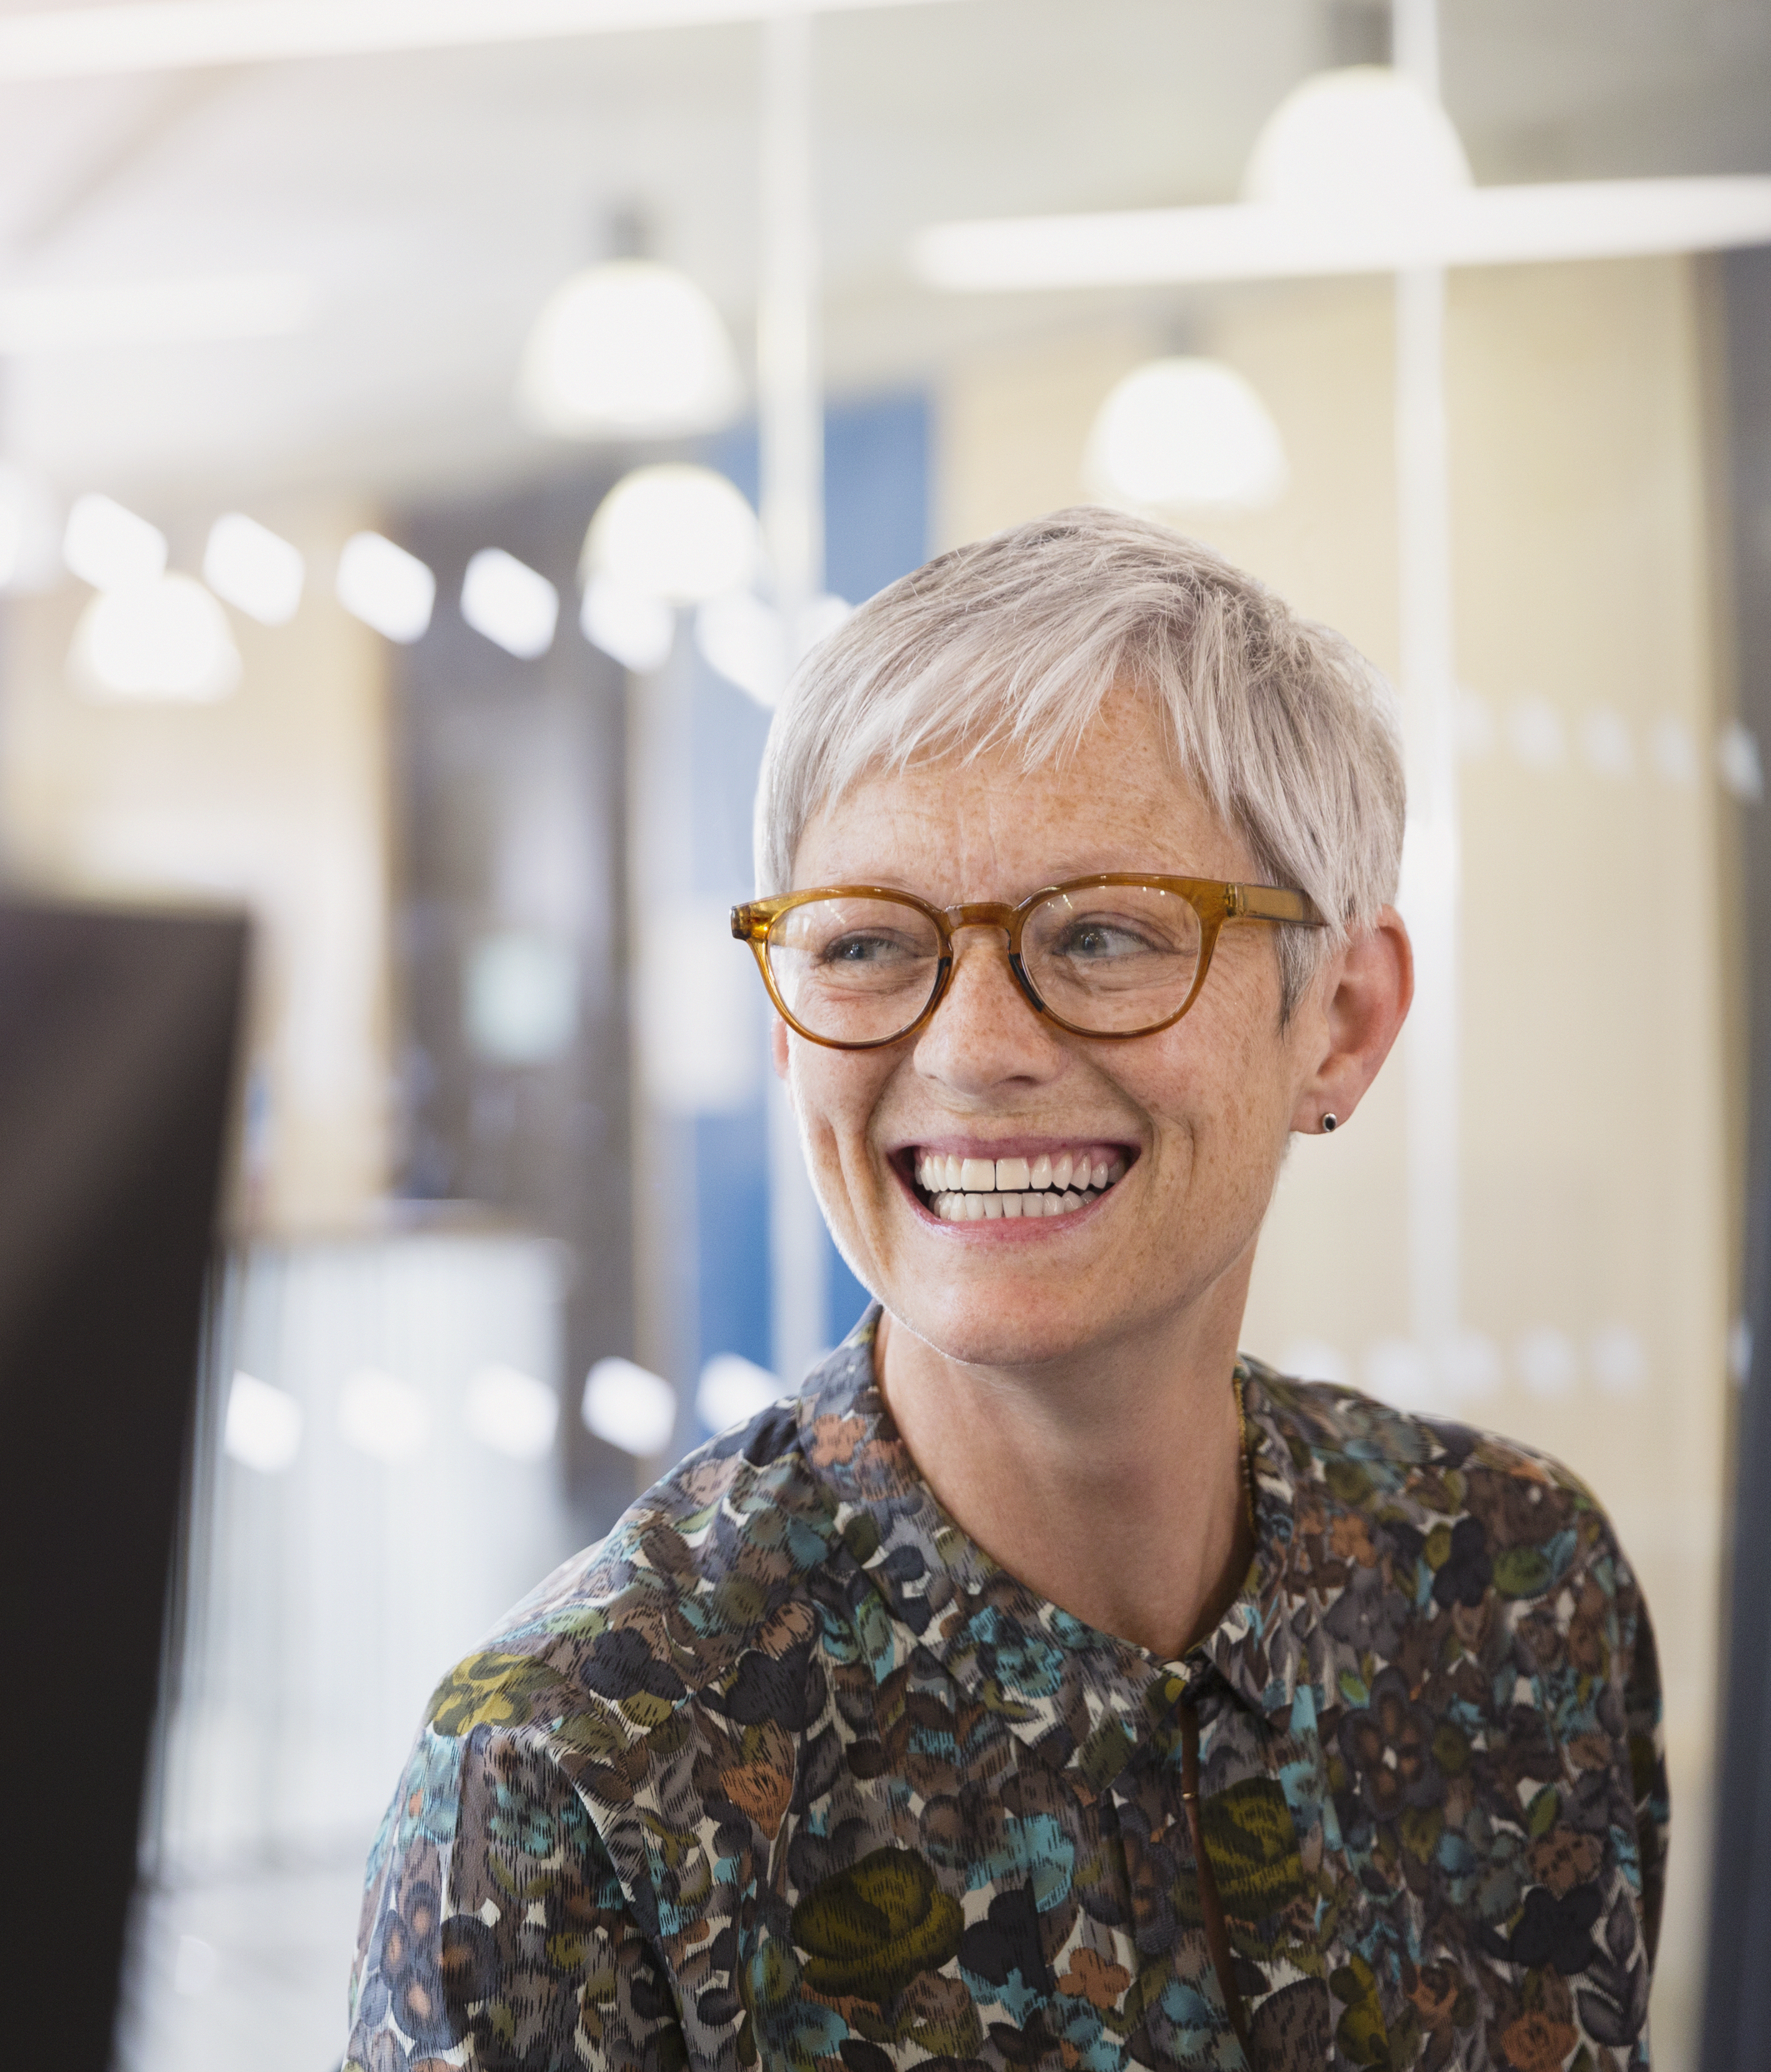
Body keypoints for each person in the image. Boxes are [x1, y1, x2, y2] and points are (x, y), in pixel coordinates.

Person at [342, 507, 1664, 2072]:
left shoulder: (1515, 1588)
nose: (969, 1050)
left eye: (1100, 934)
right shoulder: (575, 1769)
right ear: (786, 1032)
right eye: (864, 948)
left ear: (1344, 1016)